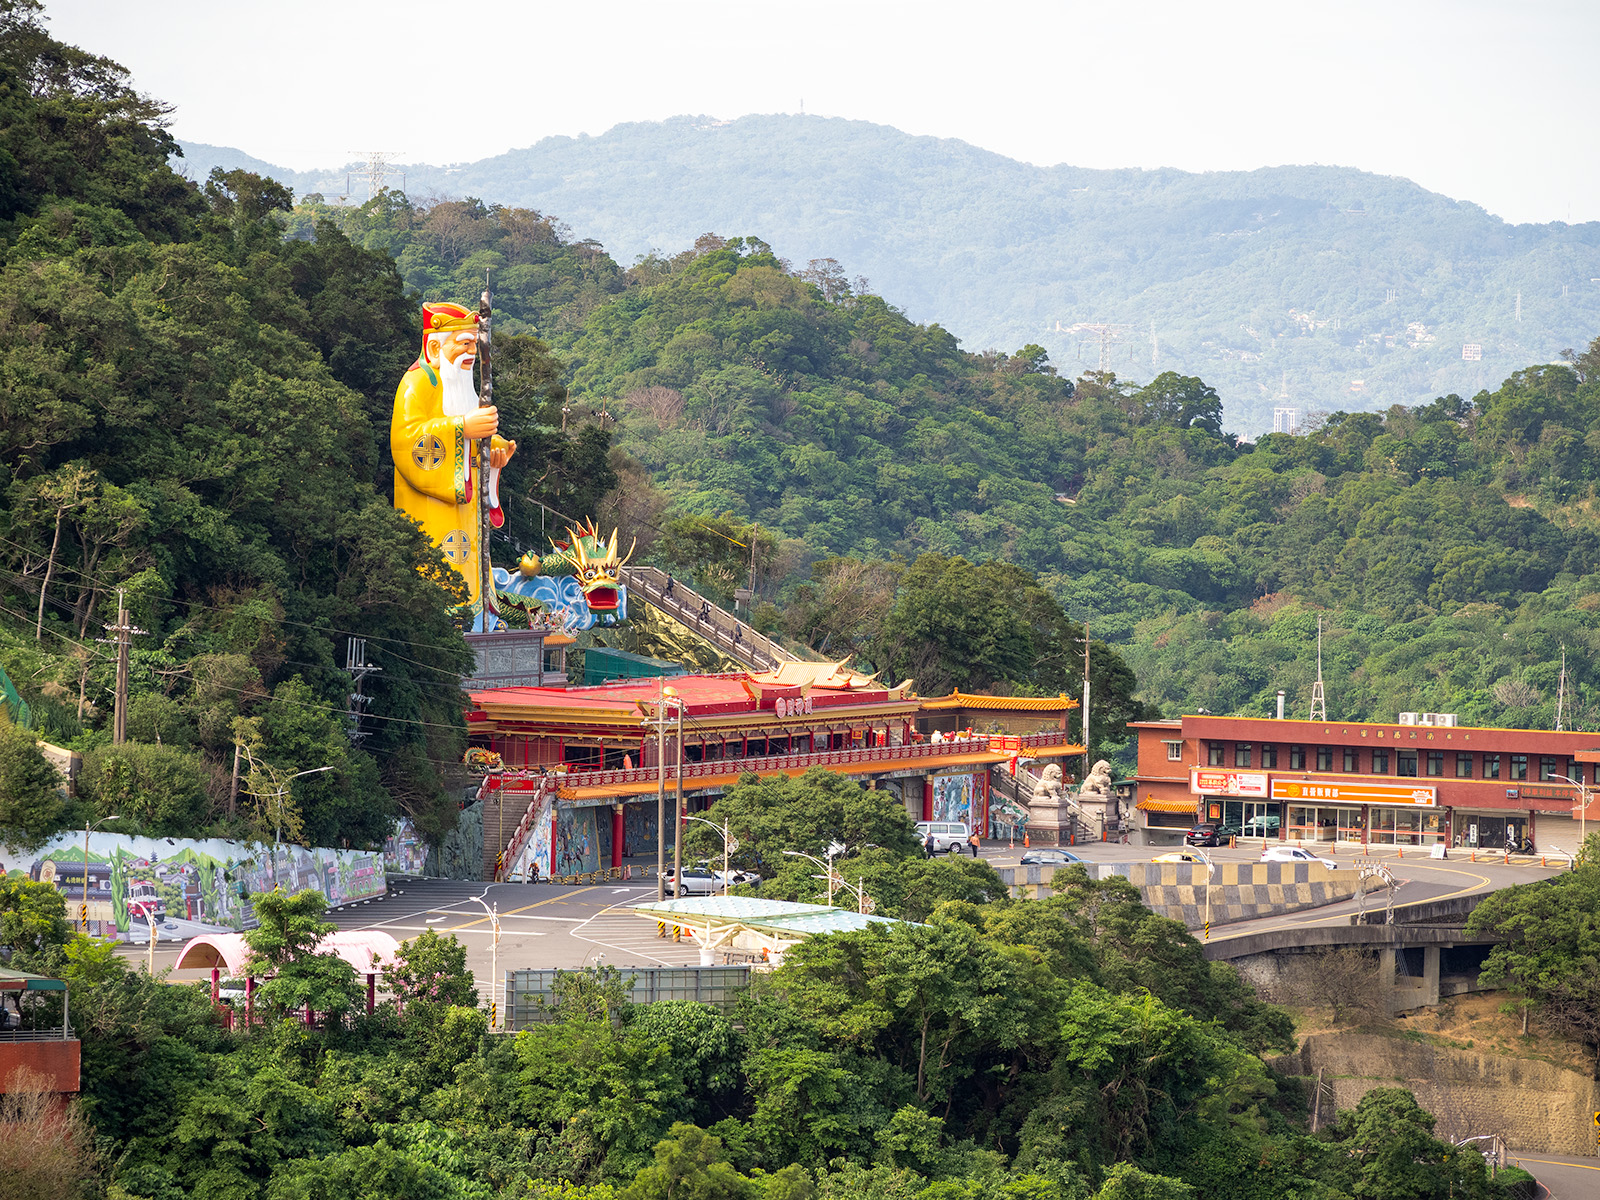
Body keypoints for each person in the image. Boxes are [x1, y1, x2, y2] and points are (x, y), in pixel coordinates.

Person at [390, 302, 517, 631]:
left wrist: (496, 451)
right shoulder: (417, 384)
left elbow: (477, 438)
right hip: (431, 506)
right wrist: (462, 427)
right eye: (463, 343)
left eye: (474, 343)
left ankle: (481, 617)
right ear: (434, 345)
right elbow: (406, 440)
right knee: (437, 571)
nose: (471, 352)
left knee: (471, 562)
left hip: (467, 506)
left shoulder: (462, 383)